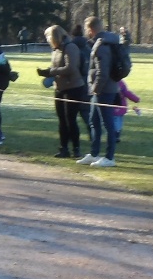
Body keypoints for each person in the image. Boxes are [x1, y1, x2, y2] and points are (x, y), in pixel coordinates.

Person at [79, 17, 124, 167]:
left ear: (91, 29)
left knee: (107, 124)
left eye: (87, 29)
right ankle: (94, 153)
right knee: (94, 122)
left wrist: (96, 89)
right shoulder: (102, 42)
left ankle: (109, 157)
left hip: (104, 90)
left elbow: (102, 72)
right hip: (99, 90)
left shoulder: (102, 45)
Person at [38, 25, 85, 159]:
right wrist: (46, 72)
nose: (47, 40)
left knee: (71, 119)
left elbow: (71, 68)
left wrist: (52, 71)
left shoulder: (71, 47)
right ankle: (63, 148)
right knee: (62, 120)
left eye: (48, 37)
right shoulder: (56, 50)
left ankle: (76, 148)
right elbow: (56, 67)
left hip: (74, 87)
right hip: (60, 88)